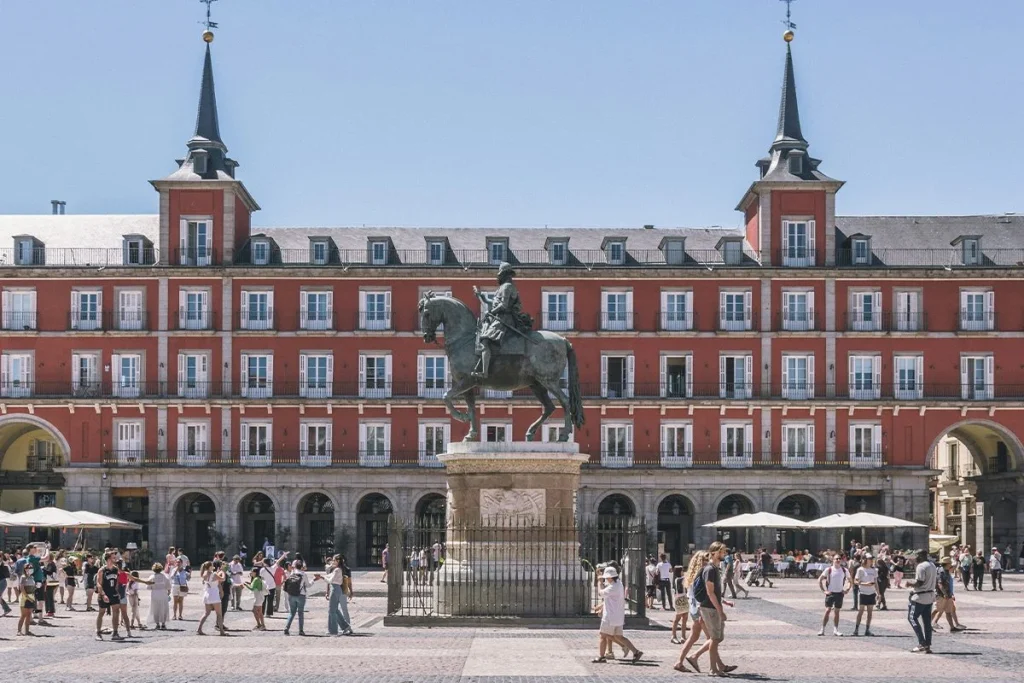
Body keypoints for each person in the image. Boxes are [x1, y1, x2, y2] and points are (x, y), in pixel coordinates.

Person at [471, 262, 532, 379]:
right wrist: (484, 298)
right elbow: (495, 303)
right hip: (500, 317)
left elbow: (503, 305)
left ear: (504, 275)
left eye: (500, 275)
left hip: (504, 319)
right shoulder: (505, 287)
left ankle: (484, 372)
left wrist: (492, 312)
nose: (499, 277)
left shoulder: (507, 287)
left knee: (484, 341)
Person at [674, 551, 715, 673]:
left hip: (693, 609)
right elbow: (701, 594)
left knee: (693, 637)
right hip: (699, 608)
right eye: (706, 560)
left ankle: (679, 662)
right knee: (713, 638)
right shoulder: (701, 574)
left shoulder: (691, 574)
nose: (708, 562)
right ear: (702, 561)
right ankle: (696, 657)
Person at [698, 542, 736, 676]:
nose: (724, 554)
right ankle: (713, 669)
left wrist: (723, 603)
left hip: (712, 607)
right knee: (714, 638)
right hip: (710, 608)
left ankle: (715, 666)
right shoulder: (710, 569)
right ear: (714, 553)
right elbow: (710, 592)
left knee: (717, 638)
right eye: (722, 552)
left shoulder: (714, 568)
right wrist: (720, 610)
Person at [592, 566, 642, 664]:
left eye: (607, 577)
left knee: (602, 635)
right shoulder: (619, 584)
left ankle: (601, 657)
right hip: (618, 616)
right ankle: (636, 652)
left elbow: (601, 593)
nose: (606, 579)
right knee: (619, 636)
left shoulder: (613, 587)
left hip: (610, 616)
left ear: (610, 577)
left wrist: (599, 582)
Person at [907, 549, 936, 654]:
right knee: (927, 622)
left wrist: (910, 583)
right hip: (930, 596)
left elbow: (919, 583)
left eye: (916, 555)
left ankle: (922, 643)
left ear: (920, 556)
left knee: (912, 618)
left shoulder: (921, 566)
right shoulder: (932, 565)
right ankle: (928, 644)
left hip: (920, 597)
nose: (915, 557)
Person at [817, 554, 851, 637]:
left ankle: (836, 629)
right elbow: (820, 579)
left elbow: (850, 580)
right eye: (836, 559)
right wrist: (824, 591)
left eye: (839, 559)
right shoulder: (829, 569)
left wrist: (847, 589)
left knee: (837, 612)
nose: (838, 560)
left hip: (839, 593)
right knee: (827, 610)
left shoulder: (844, 570)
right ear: (833, 560)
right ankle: (822, 629)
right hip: (831, 593)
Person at [283, 559, 319, 636]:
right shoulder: (303, 574)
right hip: (301, 595)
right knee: (300, 613)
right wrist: (314, 580)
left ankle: (287, 627)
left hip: (291, 595)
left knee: (292, 613)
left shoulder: (292, 573)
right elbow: (308, 585)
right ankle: (301, 630)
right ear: (302, 567)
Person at [932, 556, 966, 633]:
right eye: (949, 563)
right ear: (946, 564)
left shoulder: (946, 570)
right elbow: (940, 584)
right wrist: (945, 593)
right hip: (941, 595)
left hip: (948, 595)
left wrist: (950, 594)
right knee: (936, 610)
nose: (951, 564)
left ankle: (952, 627)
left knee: (948, 611)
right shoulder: (942, 571)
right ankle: (927, 625)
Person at [95, 552, 123, 641]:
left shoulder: (115, 569)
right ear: (108, 559)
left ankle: (115, 632)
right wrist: (103, 594)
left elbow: (117, 582)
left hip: (113, 593)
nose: (115, 559)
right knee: (101, 612)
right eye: (113, 558)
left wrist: (117, 591)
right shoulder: (102, 570)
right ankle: (98, 632)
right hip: (104, 593)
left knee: (116, 612)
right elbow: (99, 584)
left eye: (115, 558)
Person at [325, 554, 354, 636]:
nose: (332, 562)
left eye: (334, 560)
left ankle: (339, 629)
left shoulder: (343, 569)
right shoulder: (334, 569)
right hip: (341, 590)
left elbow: (348, 581)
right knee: (337, 610)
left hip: (339, 590)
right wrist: (327, 591)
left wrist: (351, 591)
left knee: (335, 610)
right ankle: (346, 626)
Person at [197, 561, 226, 636]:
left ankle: (199, 629)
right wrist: (223, 572)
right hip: (214, 594)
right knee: (219, 614)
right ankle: (222, 631)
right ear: (209, 566)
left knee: (206, 613)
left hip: (207, 594)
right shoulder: (214, 574)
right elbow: (223, 579)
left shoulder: (204, 574)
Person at [853, 554, 877, 636]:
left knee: (870, 613)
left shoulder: (873, 570)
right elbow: (855, 581)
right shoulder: (860, 570)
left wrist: (879, 593)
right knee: (861, 611)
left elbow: (875, 582)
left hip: (871, 593)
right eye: (869, 558)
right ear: (865, 559)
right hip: (863, 593)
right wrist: (865, 583)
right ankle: (856, 629)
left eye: (871, 558)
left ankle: (867, 629)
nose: (871, 560)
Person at [147, 563, 171, 630]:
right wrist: (168, 592)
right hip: (163, 594)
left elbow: (148, 587)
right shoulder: (164, 576)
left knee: (155, 609)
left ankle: (157, 624)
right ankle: (163, 624)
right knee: (163, 608)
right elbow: (168, 586)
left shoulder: (152, 577)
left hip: (155, 594)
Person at [17, 563, 37, 636]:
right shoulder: (23, 577)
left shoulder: (31, 577)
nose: (30, 569)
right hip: (24, 597)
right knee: (23, 615)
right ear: (25, 569)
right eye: (28, 568)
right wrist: (27, 597)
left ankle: (27, 631)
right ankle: (19, 631)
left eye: (31, 567)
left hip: (31, 596)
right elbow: (22, 588)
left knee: (29, 615)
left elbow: (33, 588)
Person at [670, 565, 687, 644]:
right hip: (680, 599)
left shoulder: (678, 579)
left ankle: (683, 636)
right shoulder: (679, 579)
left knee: (684, 618)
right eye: (682, 570)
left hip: (683, 598)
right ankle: (673, 636)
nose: (683, 572)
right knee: (678, 618)